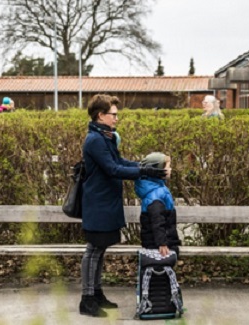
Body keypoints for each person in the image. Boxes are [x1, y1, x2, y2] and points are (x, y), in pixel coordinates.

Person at [80, 94, 168, 317]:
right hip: (98, 203)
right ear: (101, 115)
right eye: (113, 114)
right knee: (93, 250)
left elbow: (120, 162)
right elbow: (112, 169)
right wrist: (145, 171)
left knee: (100, 250)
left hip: (106, 203)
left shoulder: (105, 137)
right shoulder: (95, 140)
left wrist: (142, 165)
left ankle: (96, 293)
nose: (117, 118)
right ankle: (87, 299)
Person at [135, 152, 181, 257]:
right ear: (157, 170)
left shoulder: (157, 188)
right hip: (158, 246)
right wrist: (162, 243)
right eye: (167, 167)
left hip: (163, 242)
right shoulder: (155, 195)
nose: (170, 169)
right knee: (161, 270)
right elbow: (157, 221)